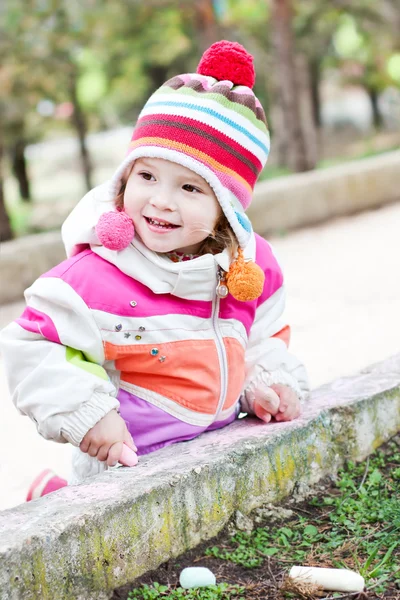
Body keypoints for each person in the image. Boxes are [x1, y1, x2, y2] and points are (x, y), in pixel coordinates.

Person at [0, 41, 309, 500]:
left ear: (226, 209)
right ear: (124, 179)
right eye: (146, 177)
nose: (161, 200)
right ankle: (56, 494)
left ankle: (52, 489)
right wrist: (87, 413)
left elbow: (262, 336)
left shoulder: (247, 268)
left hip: (209, 453)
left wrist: (264, 382)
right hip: (123, 460)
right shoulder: (94, 279)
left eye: (188, 187)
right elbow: (35, 347)